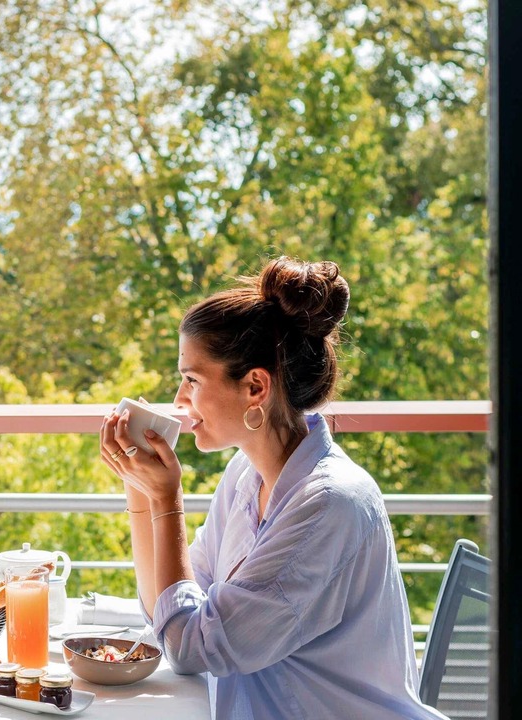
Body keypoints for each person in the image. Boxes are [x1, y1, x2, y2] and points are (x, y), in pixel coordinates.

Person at [101, 258, 444, 719]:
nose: (180, 400)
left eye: (191, 380)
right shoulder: (247, 474)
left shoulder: (329, 504)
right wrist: (139, 489)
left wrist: (166, 499)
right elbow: (166, 611)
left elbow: (193, 648)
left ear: (255, 387)